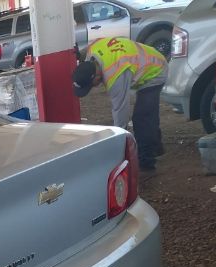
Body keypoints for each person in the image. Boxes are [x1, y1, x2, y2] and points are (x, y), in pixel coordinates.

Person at [72, 37, 168, 172]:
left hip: (155, 71)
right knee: (148, 111)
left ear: (96, 76)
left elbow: (121, 114)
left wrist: (118, 145)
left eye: (91, 85)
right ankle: (156, 146)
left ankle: (147, 164)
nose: (93, 87)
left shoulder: (115, 75)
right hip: (146, 58)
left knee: (142, 118)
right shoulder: (92, 52)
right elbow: (96, 44)